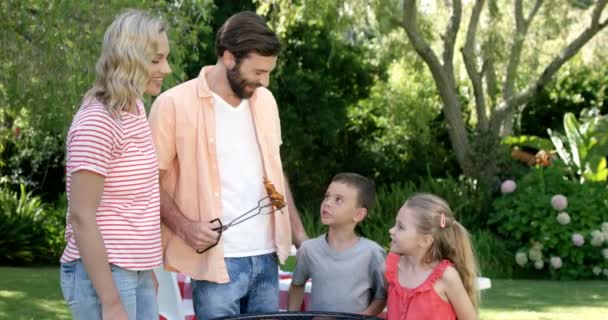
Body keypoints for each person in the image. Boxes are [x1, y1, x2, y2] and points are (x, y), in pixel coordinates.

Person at [148, 11, 308, 319]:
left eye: (269, 72)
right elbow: (149, 180)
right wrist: (185, 227)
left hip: (267, 257)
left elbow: (275, 171)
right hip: (215, 262)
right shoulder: (172, 104)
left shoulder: (266, 101)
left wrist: (301, 239)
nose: (265, 81)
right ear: (229, 58)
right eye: (259, 71)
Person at [59, 9, 171, 320]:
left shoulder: (135, 107)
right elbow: (82, 216)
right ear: (129, 57)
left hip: (135, 271)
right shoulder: (96, 123)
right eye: (156, 60)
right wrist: (110, 301)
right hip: (103, 276)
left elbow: (137, 201)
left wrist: (145, 270)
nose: (167, 68)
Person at [287, 173, 387, 316]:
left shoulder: (372, 253)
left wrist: (360, 318)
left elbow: (381, 296)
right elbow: (297, 285)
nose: (327, 203)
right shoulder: (309, 249)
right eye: (327, 196)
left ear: (359, 214)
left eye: (338, 200)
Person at [386, 193, 479, 320]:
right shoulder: (391, 267)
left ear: (425, 241)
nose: (391, 230)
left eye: (400, 227)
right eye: (395, 224)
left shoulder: (446, 276)